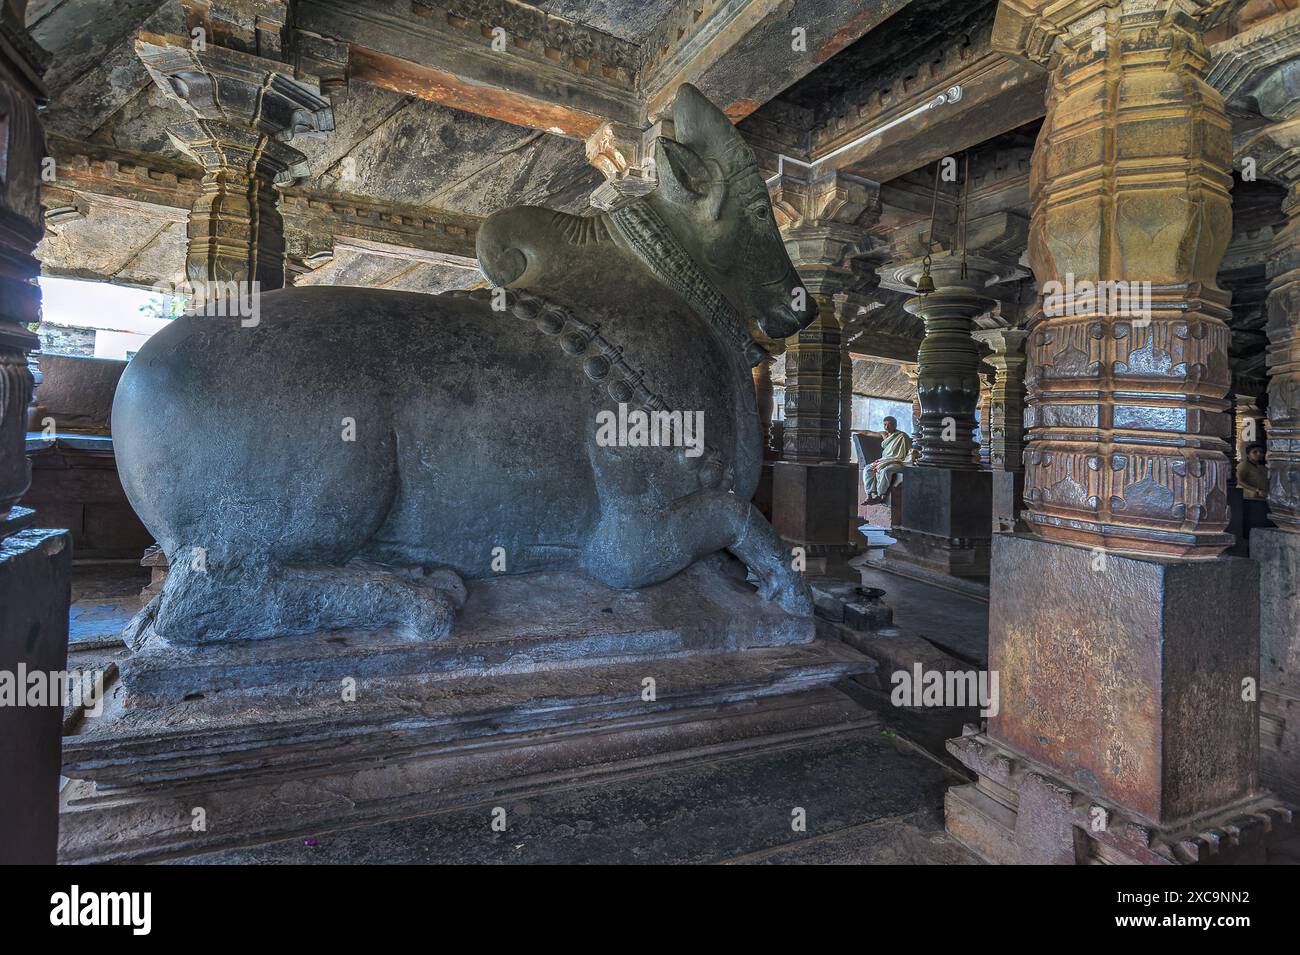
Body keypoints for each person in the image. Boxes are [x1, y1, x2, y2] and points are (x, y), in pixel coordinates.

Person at [862, 416, 912, 505]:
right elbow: (868, 433)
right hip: (884, 460)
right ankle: (869, 495)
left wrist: (892, 460)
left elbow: (907, 452)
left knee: (886, 470)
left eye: (889, 425)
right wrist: (852, 431)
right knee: (867, 469)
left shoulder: (902, 436)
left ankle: (881, 495)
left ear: (895, 425)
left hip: (898, 461)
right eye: (885, 424)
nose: (886, 427)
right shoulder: (884, 434)